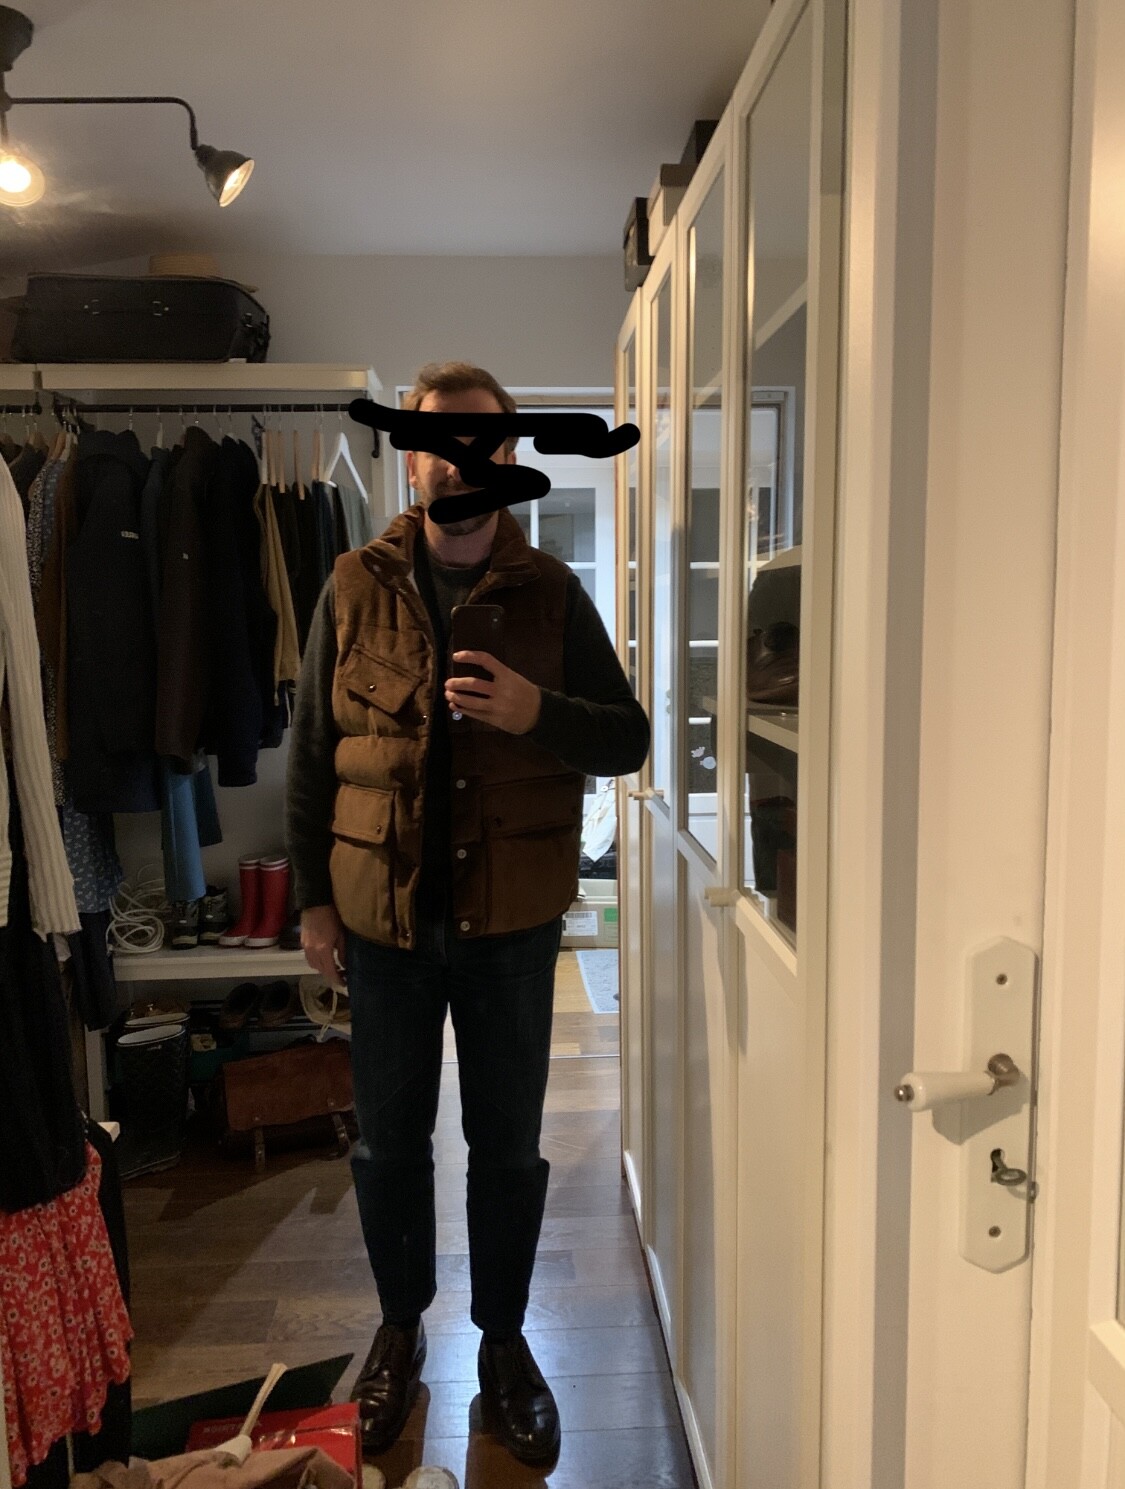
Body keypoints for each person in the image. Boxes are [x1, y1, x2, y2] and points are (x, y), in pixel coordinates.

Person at [285, 361, 649, 1466]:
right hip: (382, 926)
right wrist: (312, 900)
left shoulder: (552, 593)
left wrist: (536, 710)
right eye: (441, 442)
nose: (463, 462)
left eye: (484, 441)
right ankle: (399, 1331)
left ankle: (502, 1340)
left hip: (511, 929)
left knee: (507, 1150)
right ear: (412, 459)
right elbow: (312, 752)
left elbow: (626, 738)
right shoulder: (352, 584)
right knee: (389, 1146)